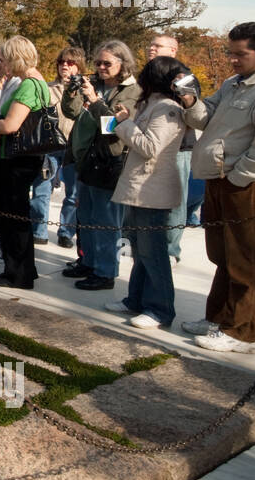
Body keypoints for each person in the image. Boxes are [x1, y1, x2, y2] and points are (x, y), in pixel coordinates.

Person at [177, 23, 255, 353]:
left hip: (246, 185)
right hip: (220, 179)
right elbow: (206, 117)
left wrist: (239, 177)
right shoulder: (234, 83)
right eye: (230, 53)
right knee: (223, 254)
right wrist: (190, 101)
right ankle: (220, 317)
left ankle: (242, 331)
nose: (232, 60)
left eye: (240, 54)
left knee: (248, 259)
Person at [104, 56, 188, 329]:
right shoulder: (152, 104)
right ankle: (136, 300)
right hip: (141, 187)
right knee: (141, 250)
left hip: (154, 189)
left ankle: (160, 309)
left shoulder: (167, 109)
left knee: (154, 252)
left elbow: (151, 147)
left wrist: (124, 125)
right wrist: (129, 121)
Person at [60, 40, 140, 291]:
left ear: (122, 64)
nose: (101, 67)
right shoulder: (95, 84)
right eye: (98, 63)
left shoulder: (132, 92)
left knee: (106, 221)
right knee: (86, 217)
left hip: (110, 161)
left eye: (107, 63)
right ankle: (89, 262)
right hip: (86, 159)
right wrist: (72, 91)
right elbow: (71, 113)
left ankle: (105, 272)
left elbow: (112, 129)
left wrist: (94, 100)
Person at [0, 37, 50, 289]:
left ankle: (17, 273)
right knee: (14, 217)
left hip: (16, 160)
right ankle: (22, 270)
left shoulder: (29, 86)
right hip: (19, 158)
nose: (1, 64)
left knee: (11, 218)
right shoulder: (36, 81)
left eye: (3, 59)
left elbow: (11, 125)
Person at [148, 33, 195, 262]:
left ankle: (170, 250)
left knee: (175, 202)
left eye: (158, 46)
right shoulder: (149, 74)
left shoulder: (183, 76)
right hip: (150, 145)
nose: (152, 49)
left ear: (173, 50)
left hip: (178, 148)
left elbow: (192, 110)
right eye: (150, 45)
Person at [45, 47, 85, 250]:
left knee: (72, 194)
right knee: (42, 188)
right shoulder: (48, 87)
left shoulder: (87, 90)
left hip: (73, 147)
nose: (65, 66)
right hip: (50, 146)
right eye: (61, 62)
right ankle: (38, 230)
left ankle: (66, 232)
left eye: (70, 63)